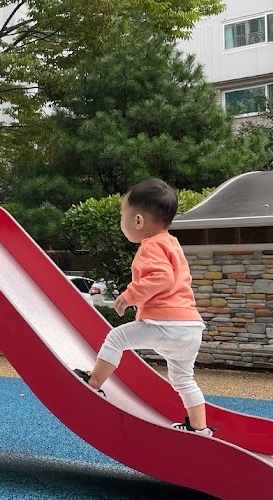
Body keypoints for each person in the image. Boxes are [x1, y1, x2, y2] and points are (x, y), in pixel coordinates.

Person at [76, 178, 212, 436]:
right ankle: (199, 428)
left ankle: (93, 381)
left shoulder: (151, 246)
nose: (121, 221)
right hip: (191, 327)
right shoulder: (172, 243)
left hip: (167, 324)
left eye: (122, 215)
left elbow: (162, 278)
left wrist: (130, 295)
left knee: (116, 338)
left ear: (138, 221)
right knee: (184, 379)